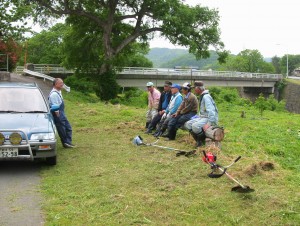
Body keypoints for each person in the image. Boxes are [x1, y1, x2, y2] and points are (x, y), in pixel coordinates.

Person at [185, 81, 219, 147]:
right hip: (202, 117)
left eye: (194, 88)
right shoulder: (202, 96)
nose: (193, 90)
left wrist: (209, 123)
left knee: (195, 126)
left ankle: (201, 141)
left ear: (198, 88)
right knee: (188, 124)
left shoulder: (206, 97)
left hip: (208, 118)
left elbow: (211, 111)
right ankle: (198, 140)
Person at [48, 78, 75, 148]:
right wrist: (59, 117)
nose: (62, 84)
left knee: (68, 128)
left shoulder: (58, 92)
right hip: (58, 114)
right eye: (61, 83)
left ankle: (68, 142)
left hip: (61, 113)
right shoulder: (54, 94)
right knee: (62, 129)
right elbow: (55, 106)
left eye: (62, 83)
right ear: (56, 84)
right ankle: (66, 143)